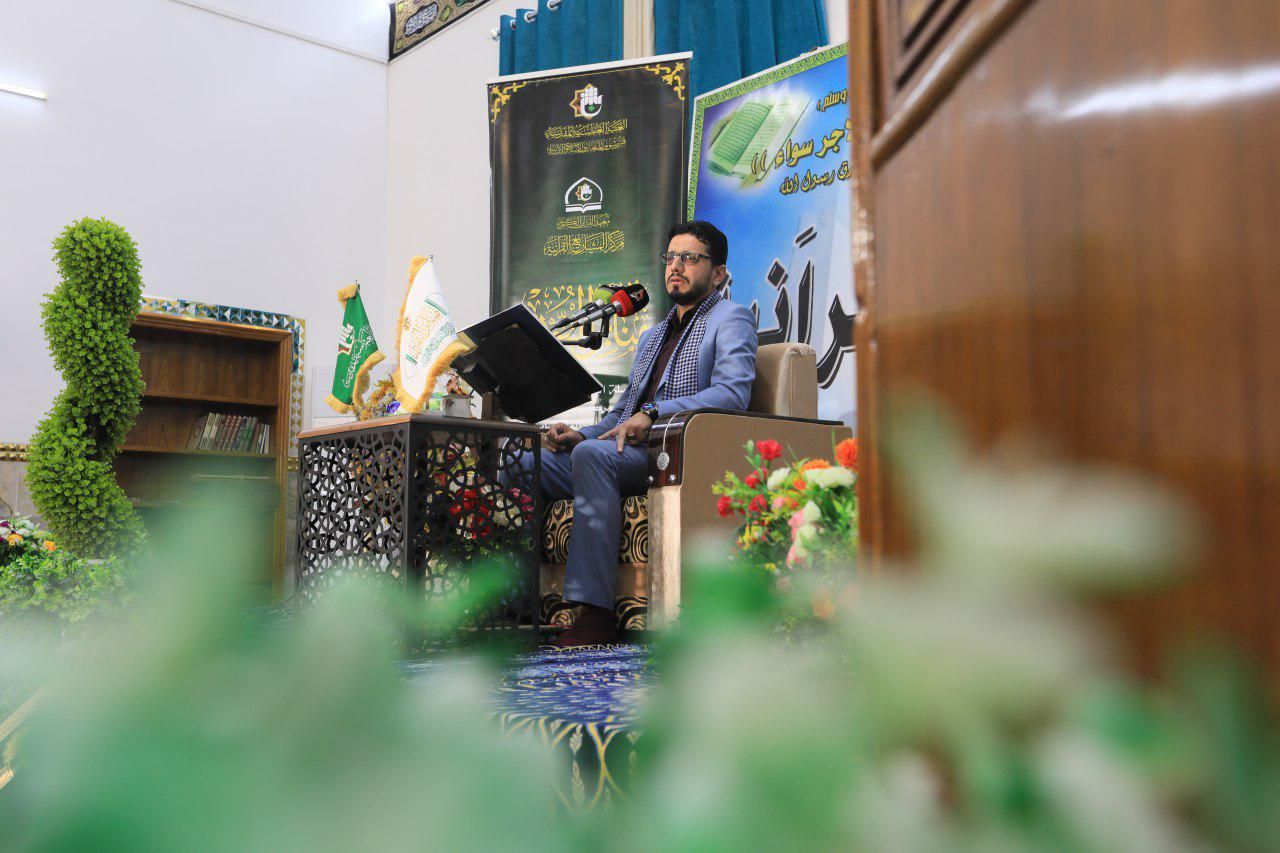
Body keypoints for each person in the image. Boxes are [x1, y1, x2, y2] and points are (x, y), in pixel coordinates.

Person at [537, 220, 758, 647]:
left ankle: (596, 614)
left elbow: (732, 394)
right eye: (671, 257)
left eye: (690, 258)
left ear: (718, 274)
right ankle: (515, 602)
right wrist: (581, 435)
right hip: (629, 451)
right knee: (528, 462)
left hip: (678, 451)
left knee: (593, 457)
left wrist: (654, 413)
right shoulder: (653, 336)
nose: (676, 266)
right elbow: (622, 412)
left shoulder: (731, 318)